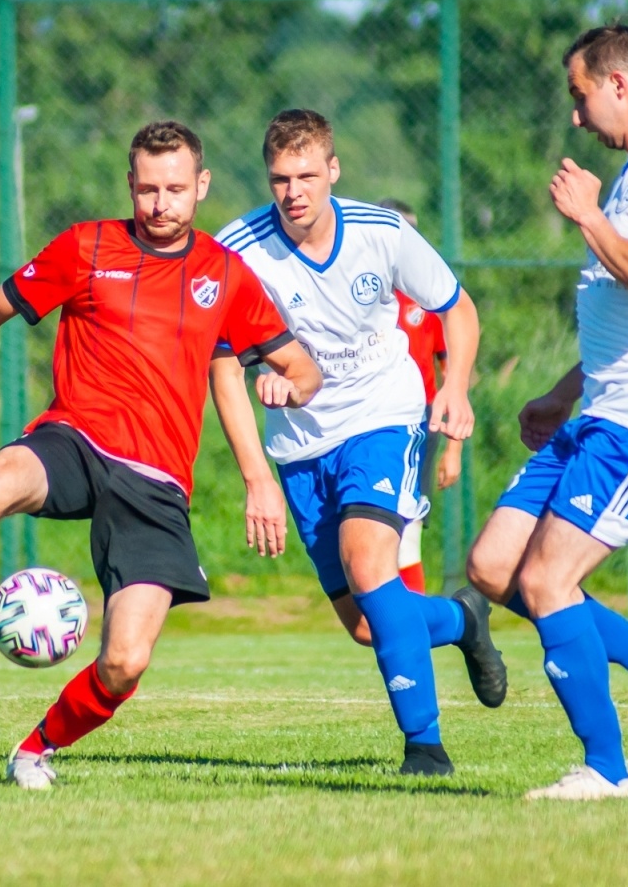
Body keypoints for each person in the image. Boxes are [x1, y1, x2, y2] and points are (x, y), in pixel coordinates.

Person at [0, 121, 320, 790]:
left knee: (125, 662)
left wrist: (287, 392)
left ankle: (34, 749)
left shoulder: (226, 274)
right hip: (76, 439)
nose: (160, 204)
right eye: (147, 189)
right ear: (130, 184)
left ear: (201, 185)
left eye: (175, 189)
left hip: (155, 483)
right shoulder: (86, 246)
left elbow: (302, 368)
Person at [211, 109, 505, 779]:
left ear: (334, 171)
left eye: (307, 176)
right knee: (370, 624)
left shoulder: (383, 232)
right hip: (301, 447)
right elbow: (224, 367)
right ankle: (462, 619)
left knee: (370, 566)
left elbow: (457, 309)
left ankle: (425, 750)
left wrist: (455, 388)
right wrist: (257, 477)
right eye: (280, 179)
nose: (294, 192)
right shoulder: (238, 250)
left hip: (384, 416)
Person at [464, 24, 628, 800]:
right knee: (494, 567)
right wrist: (562, 392)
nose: (575, 116)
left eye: (580, 96)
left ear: (619, 84)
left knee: (546, 581)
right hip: (601, 410)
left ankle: (608, 770)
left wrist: (589, 217)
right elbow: (626, 318)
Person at [376, 198, 460, 593]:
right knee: (366, 532)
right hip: (364, 418)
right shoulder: (358, 292)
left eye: (410, 234)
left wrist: (453, 449)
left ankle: (414, 618)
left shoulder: (428, 298)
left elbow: (454, 377)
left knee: (407, 532)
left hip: (418, 421)